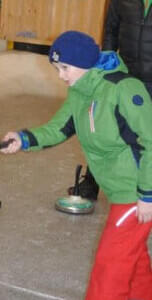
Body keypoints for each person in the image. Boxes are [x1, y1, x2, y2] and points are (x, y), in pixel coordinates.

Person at [0, 31, 152, 300]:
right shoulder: (80, 93)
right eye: (57, 68)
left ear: (84, 63)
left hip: (138, 189)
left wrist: (147, 194)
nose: (61, 75)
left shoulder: (123, 89)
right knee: (132, 255)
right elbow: (58, 129)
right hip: (120, 190)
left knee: (110, 264)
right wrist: (23, 139)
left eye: (65, 68)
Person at [68, 0, 152, 201]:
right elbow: (111, 32)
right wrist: (105, 69)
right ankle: (91, 182)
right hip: (125, 76)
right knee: (105, 129)